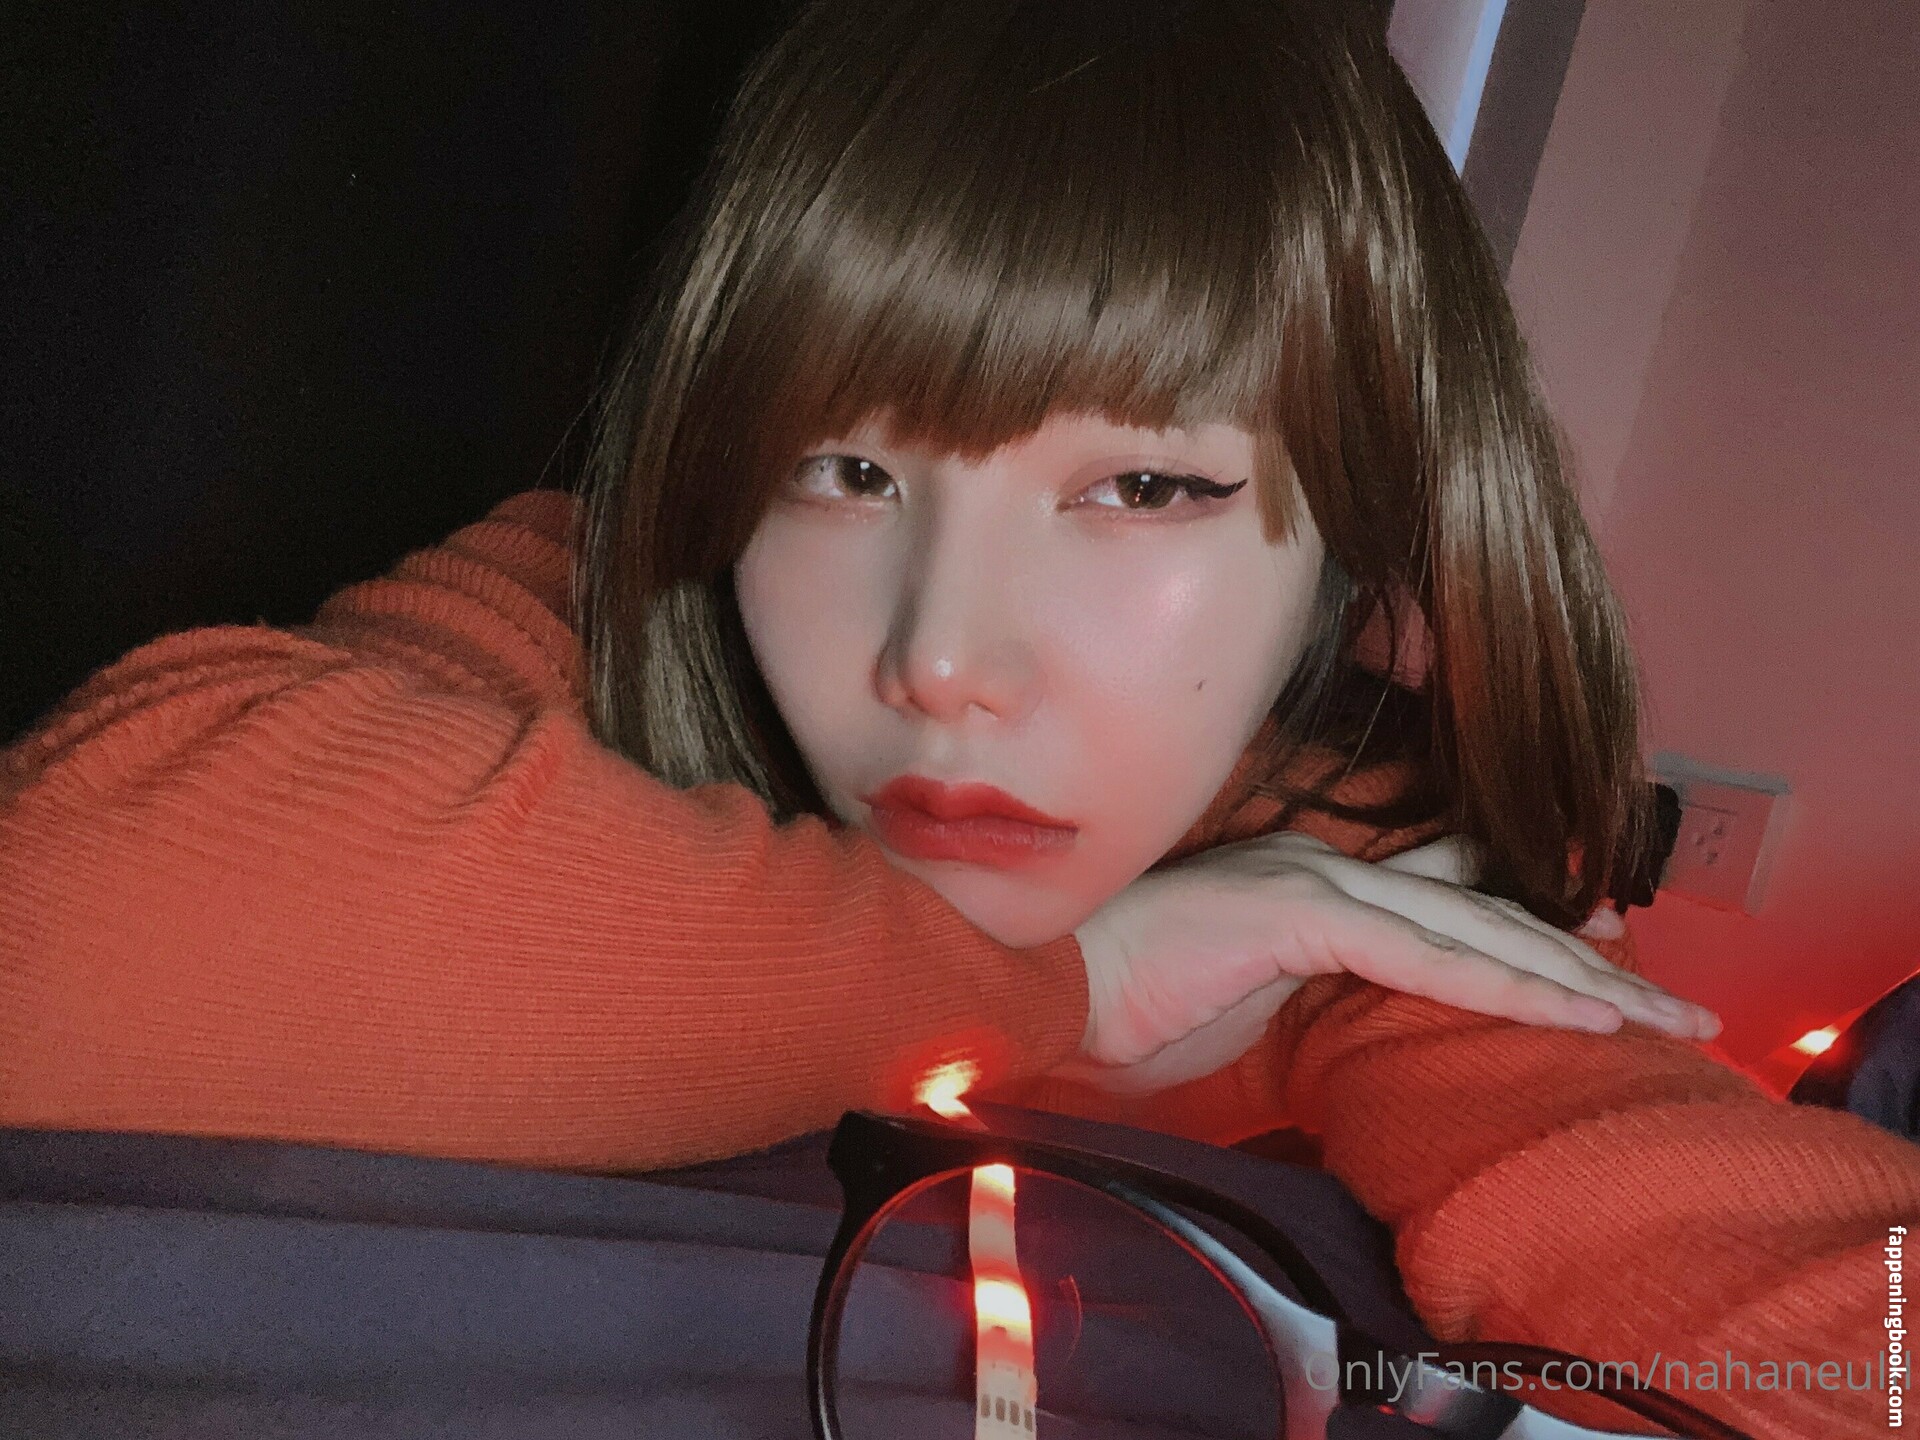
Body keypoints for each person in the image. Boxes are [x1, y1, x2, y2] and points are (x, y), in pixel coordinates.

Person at [0, 2, 1912, 1434]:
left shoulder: (1375, 896)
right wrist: (1072, 984)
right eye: (841, 469)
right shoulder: (607, 602)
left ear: (1362, 541)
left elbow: (1805, 1309)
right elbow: (70, 928)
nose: (940, 661)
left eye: (1143, 487)